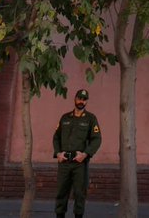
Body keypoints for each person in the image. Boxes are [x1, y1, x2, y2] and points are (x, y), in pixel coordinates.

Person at [53, 89, 102, 218]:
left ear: (86, 101)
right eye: (79, 98)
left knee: (80, 194)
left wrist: (85, 154)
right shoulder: (65, 118)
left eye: (84, 99)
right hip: (64, 162)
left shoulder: (91, 119)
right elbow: (56, 137)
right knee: (61, 193)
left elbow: (97, 139)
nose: (81, 101)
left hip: (80, 163)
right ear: (74, 99)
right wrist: (58, 153)